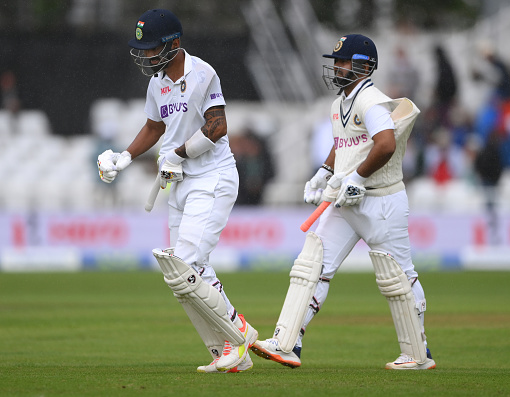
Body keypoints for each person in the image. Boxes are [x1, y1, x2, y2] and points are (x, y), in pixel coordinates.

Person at [250, 34, 436, 370]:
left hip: (382, 201)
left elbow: (385, 144)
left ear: (364, 66)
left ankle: (417, 353)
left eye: (343, 62)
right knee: (311, 265)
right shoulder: (339, 104)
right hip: (347, 202)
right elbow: (346, 143)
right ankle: (287, 342)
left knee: (398, 277)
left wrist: (358, 178)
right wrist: (324, 171)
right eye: (336, 61)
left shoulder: (372, 101)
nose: (336, 68)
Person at [96, 9, 257, 374]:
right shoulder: (157, 82)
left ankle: (239, 332)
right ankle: (228, 352)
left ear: (175, 44)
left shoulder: (202, 73)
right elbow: (155, 127)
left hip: (211, 178)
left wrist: (180, 154)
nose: (146, 55)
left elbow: (217, 126)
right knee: (180, 274)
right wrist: (124, 157)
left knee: (186, 265)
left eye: (152, 48)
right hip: (180, 182)